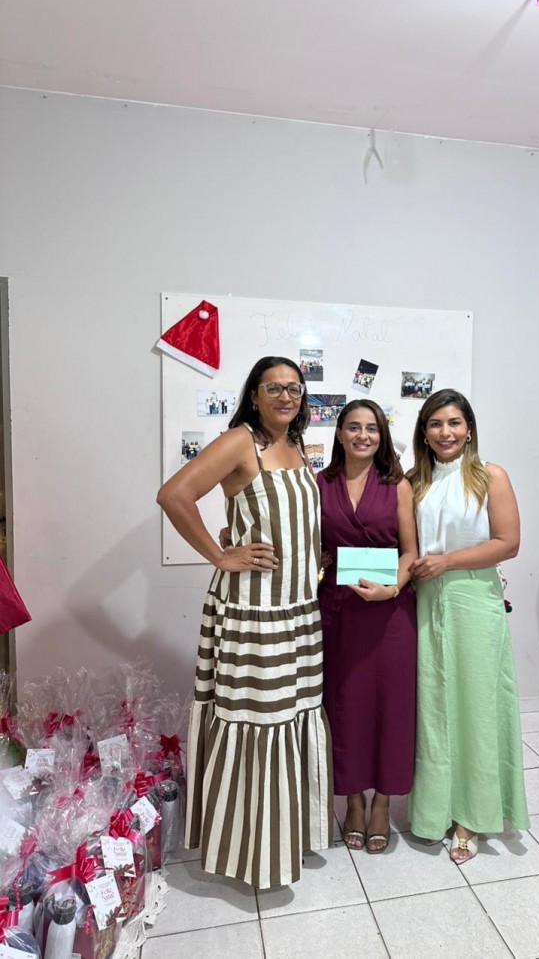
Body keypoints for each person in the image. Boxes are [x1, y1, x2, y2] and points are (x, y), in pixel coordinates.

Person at [156, 356, 334, 889]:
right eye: (273, 388)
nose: (286, 397)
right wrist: (220, 555)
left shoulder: (296, 447)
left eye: (294, 389)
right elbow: (173, 495)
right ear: (254, 394)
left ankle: (283, 836)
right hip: (255, 613)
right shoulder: (241, 441)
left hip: (298, 612)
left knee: (291, 718)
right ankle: (249, 849)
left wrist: (314, 559)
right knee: (259, 724)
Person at [406, 389, 528, 863]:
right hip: (426, 600)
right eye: (435, 424)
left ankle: (471, 816)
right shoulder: (414, 481)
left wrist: (447, 561)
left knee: (475, 706)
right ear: (424, 432)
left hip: (474, 598)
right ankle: (434, 810)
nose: (446, 432)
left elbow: (508, 542)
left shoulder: (490, 475)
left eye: (454, 422)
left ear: (469, 428)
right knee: (433, 705)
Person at [317, 400, 417, 854]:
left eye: (372, 428)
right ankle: (353, 799)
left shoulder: (397, 486)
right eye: (354, 427)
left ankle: (382, 802)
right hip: (338, 612)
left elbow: (410, 552)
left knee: (390, 706)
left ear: (382, 436)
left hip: (389, 612)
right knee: (344, 706)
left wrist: (391, 589)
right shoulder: (319, 484)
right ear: (339, 433)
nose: (363, 435)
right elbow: (309, 545)